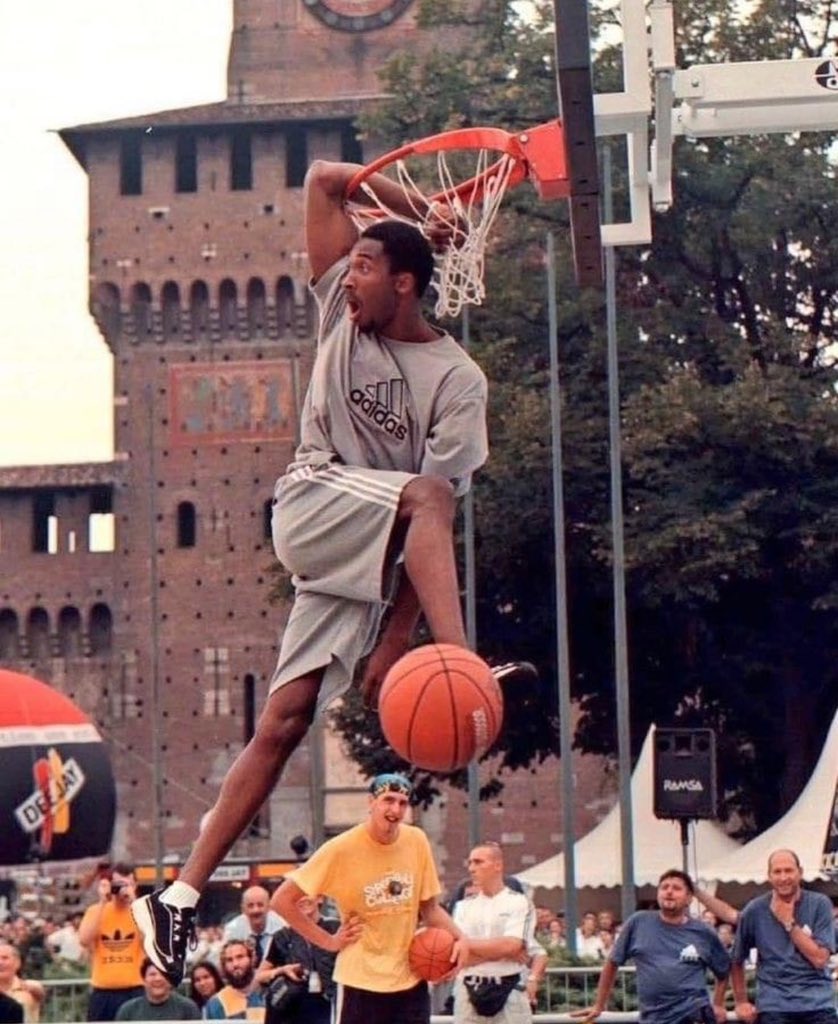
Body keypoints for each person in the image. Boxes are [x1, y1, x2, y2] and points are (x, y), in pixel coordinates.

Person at [133, 156, 536, 986]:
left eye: (364, 266)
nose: (345, 276)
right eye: (346, 264)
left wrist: (397, 642)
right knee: (420, 494)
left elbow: (434, 523)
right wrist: (423, 210)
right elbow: (322, 178)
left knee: (284, 721)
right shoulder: (339, 312)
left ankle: (176, 895)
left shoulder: (458, 383)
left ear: (407, 285)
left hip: (369, 549)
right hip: (315, 499)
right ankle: (464, 655)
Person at [272, 772, 467, 1024]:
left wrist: (461, 938)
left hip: (409, 979)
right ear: (370, 802)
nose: (395, 809)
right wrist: (329, 942)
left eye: (402, 802)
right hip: (360, 982)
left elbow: (430, 909)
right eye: (388, 800)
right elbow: (281, 901)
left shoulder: (416, 840)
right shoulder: (341, 848)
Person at [575, 869, 730, 1024]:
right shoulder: (638, 922)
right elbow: (612, 963)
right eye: (664, 887)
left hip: (693, 1015)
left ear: (689, 898)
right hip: (653, 1018)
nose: (669, 892)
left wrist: (718, 1004)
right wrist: (599, 1005)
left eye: (676, 888)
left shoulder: (703, 931)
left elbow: (723, 970)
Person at [729, 848, 835, 1024]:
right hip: (774, 1006)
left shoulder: (820, 904)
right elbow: (736, 958)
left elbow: (819, 959)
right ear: (769, 876)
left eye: (788, 870)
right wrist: (741, 1002)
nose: (783, 877)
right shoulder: (755, 909)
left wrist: (788, 923)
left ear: (800, 873)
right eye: (777, 872)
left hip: (818, 1004)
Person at [451, 842, 534, 1024]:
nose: (472, 868)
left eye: (478, 862)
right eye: (470, 863)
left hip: (510, 989)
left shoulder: (519, 902)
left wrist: (467, 944)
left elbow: (512, 945)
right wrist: (503, 952)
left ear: (498, 865)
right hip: (469, 989)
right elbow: (459, 955)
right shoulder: (463, 907)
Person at [254, 894, 337, 1024]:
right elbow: (259, 977)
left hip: (331, 1008)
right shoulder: (282, 936)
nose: (302, 898)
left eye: (306, 892)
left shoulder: (336, 929)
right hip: (294, 1013)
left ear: (320, 898)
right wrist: (281, 970)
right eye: (297, 895)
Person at [78, 863, 145, 1021]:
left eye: (126, 884)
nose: (120, 888)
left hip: (135, 989)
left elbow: (150, 940)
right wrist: (102, 901)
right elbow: (84, 940)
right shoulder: (95, 911)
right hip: (103, 991)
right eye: (117, 884)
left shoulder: (142, 910)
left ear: (135, 885)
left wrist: (133, 901)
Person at [115, 959, 200, 1021]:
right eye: (152, 974)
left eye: (163, 974)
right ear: (144, 980)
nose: (158, 979)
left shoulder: (188, 1008)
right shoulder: (128, 1010)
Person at [204, 940, 265, 1021]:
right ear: (223, 966)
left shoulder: (270, 992)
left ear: (252, 959)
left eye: (240, 957)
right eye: (229, 960)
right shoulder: (217, 1003)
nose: (235, 964)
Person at [222, 887, 285, 963]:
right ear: (243, 909)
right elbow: (227, 962)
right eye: (250, 906)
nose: (256, 910)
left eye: (260, 905)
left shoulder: (282, 926)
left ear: (269, 907)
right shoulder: (233, 930)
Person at [0, 943, 44, 1024]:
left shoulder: (31, 987)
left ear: (17, 963)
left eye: (5, 958)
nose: (0, 963)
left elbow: (41, 994)